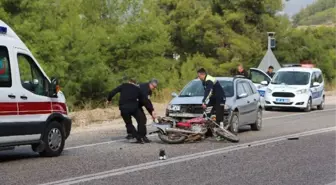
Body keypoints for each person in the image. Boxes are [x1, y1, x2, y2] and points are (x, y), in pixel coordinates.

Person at [106, 78, 154, 144]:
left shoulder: (123, 85)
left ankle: (137, 137)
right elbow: (145, 101)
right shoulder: (137, 89)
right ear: (135, 83)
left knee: (129, 124)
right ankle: (142, 136)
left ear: (129, 82)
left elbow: (112, 92)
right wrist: (152, 111)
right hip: (134, 108)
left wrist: (109, 99)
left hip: (124, 108)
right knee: (141, 120)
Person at [197, 68, 226, 136]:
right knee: (207, 113)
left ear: (203, 74)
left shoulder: (209, 80)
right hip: (213, 98)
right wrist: (205, 101)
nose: (198, 77)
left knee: (219, 115)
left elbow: (209, 91)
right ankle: (207, 131)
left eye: (199, 76)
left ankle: (221, 131)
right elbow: (206, 92)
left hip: (220, 98)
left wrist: (204, 101)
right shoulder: (204, 80)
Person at [138, 78, 158, 143]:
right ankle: (139, 136)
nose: (154, 88)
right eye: (153, 86)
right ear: (150, 83)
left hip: (137, 105)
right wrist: (152, 111)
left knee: (142, 119)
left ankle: (142, 136)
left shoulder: (149, 91)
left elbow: (148, 102)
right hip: (132, 104)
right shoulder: (144, 88)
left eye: (155, 87)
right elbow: (146, 102)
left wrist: (152, 111)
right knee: (142, 119)